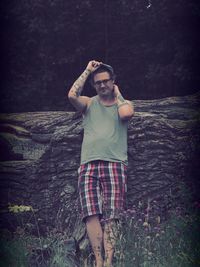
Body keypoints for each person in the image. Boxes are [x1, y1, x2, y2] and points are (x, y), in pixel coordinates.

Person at [68, 60, 134, 267]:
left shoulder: (124, 104)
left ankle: (109, 262)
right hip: (88, 165)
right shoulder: (89, 103)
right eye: (98, 83)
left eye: (106, 81)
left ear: (113, 82)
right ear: (94, 85)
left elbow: (126, 114)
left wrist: (118, 93)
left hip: (115, 164)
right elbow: (71, 95)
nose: (102, 85)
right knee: (90, 213)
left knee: (112, 216)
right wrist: (88, 70)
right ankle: (98, 261)